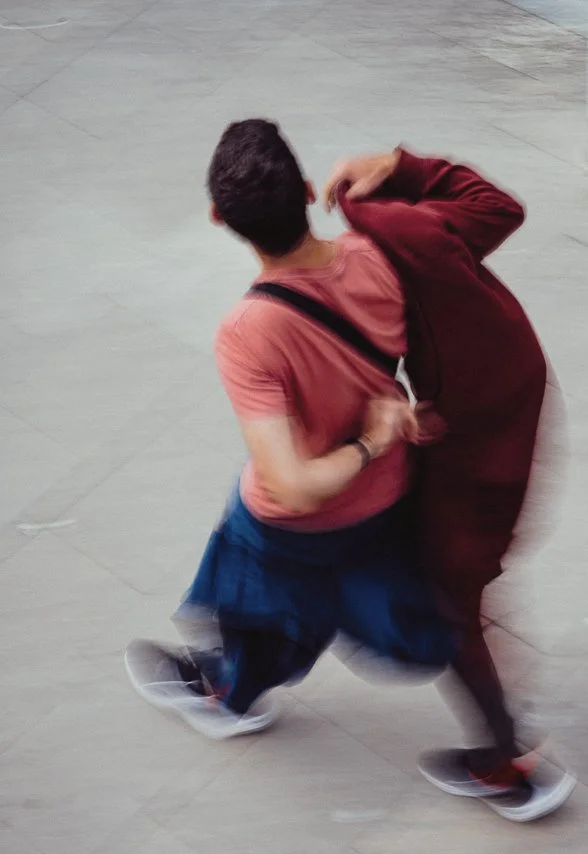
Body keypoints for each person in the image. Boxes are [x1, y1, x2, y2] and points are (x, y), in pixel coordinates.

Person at [124, 119, 455, 744]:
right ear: (306, 191)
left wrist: (368, 441)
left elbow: (295, 488)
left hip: (289, 530)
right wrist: (394, 163)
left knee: (259, 617)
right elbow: (477, 208)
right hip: (385, 502)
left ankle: (229, 695)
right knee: (382, 620)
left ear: (219, 218)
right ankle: (307, 626)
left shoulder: (248, 331)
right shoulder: (376, 255)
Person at [322, 147, 575, 821]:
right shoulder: (439, 242)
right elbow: (501, 207)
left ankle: (508, 764)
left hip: (474, 450)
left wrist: (401, 420)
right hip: (501, 417)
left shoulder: (392, 250)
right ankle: (505, 744)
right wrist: (401, 165)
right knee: (459, 590)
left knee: (453, 599)